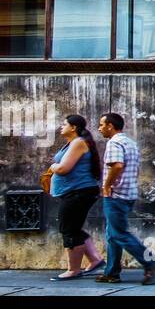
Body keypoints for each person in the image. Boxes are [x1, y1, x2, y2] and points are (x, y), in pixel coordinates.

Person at [95, 113, 155, 285]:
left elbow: (117, 165)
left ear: (110, 126)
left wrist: (106, 186)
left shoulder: (114, 143)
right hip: (129, 192)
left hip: (116, 194)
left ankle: (151, 263)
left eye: (102, 125)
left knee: (119, 233)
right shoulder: (130, 143)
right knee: (112, 234)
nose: (99, 128)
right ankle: (111, 272)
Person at [42, 115, 105, 281]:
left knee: (69, 229)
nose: (61, 127)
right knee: (73, 227)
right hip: (75, 192)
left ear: (73, 127)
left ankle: (73, 270)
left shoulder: (78, 142)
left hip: (79, 192)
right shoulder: (73, 143)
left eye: (64, 124)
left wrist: (53, 167)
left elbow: (63, 168)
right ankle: (95, 260)